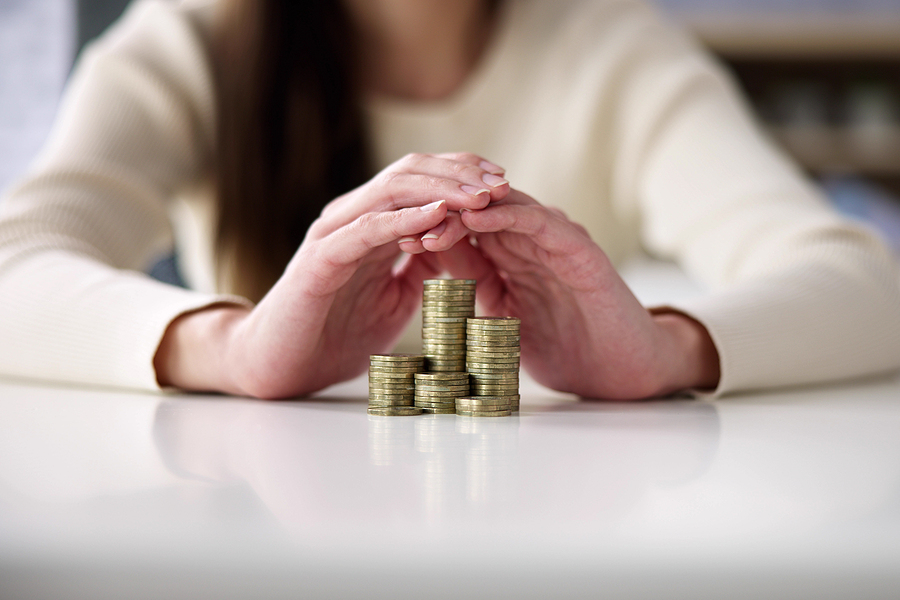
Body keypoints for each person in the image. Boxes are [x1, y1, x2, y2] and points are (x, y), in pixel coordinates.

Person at [0, 0, 898, 400]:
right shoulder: (191, 37)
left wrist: (666, 351)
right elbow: (14, 264)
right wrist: (232, 347)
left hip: (561, 536)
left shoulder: (616, 46)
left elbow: (869, 285)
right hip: (260, 539)